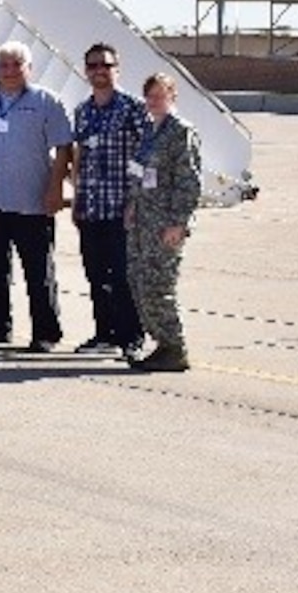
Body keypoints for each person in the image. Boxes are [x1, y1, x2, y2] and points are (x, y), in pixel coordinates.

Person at [0, 40, 72, 352]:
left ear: (28, 69)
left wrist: (56, 187)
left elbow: (63, 147)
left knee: (38, 270)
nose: (9, 71)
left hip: (32, 201)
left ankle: (46, 332)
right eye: (4, 65)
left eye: (16, 64)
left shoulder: (47, 102)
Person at [69, 42, 146, 356]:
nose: (99, 71)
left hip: (121, 207)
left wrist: (136, 201)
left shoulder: (133, 108)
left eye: (105, 65)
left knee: (124, 275)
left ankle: (131, 337)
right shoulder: (83, 112)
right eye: (93, 66)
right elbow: (80, 158)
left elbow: (147, 155)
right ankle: (105, 334)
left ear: (117, 68)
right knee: (96, 275)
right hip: (91, 207)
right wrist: (75, 200)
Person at [126, 73, 203, 373]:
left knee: (159, 286)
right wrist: (132, 204)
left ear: (173, 97)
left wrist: (179, 223)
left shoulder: (180, 132)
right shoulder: (150, 130)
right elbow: (140, 173)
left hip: (164, 225)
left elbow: (189, 183)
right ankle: (161, 343)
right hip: (142, 222)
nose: (154, 100)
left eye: (161, 95)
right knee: (140, 283)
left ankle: (174, 347)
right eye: (150, 95)